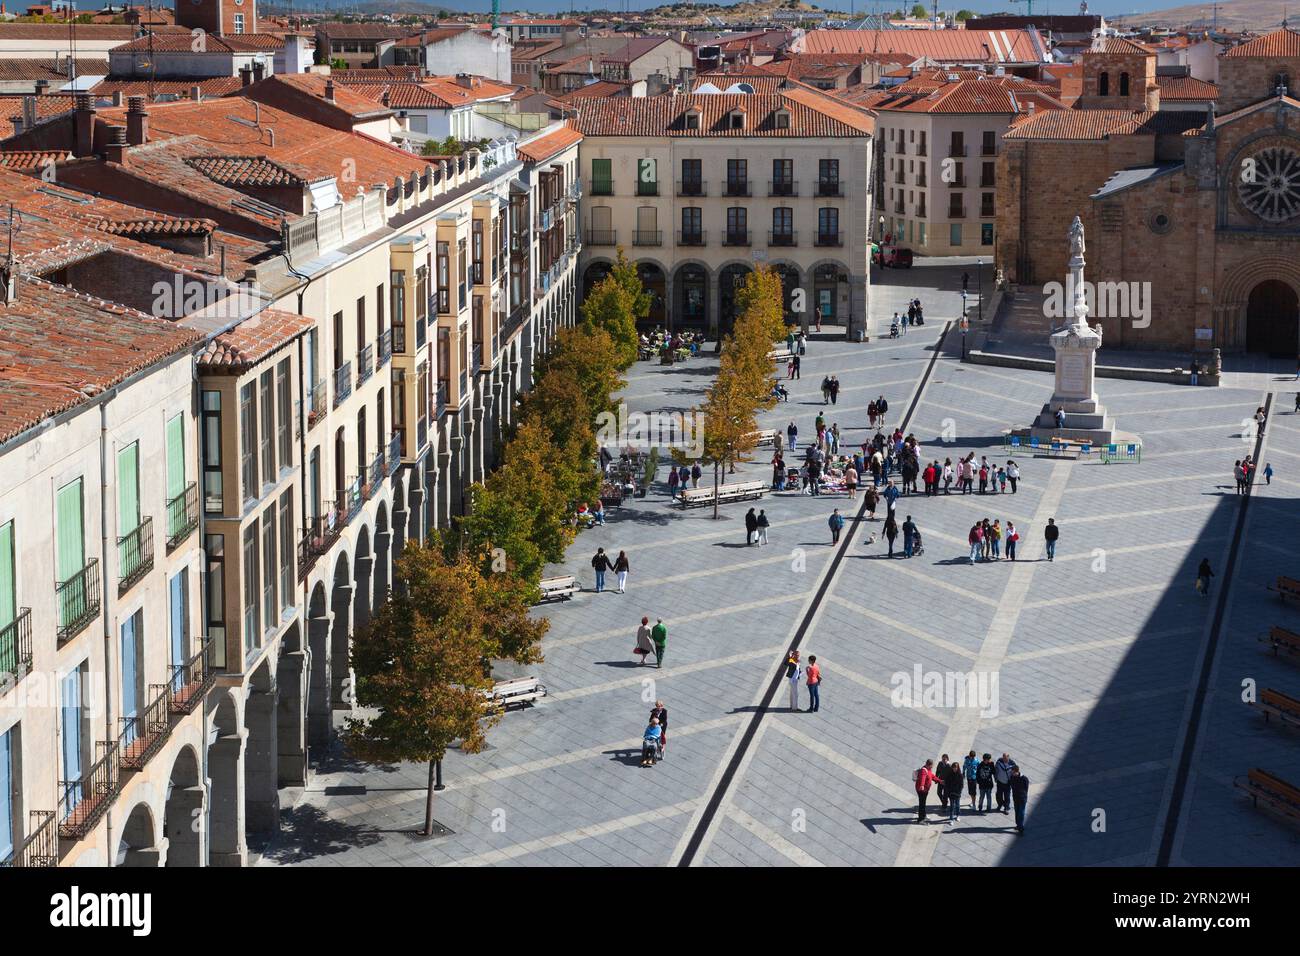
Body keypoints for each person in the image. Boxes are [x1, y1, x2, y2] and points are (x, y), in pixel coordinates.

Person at [1010, 767, 1030, 833]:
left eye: (1012, 772)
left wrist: (1023, 795)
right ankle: (1018, 824)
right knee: (1017, 811)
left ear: (1016, 771)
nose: (1011, 773)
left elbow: (1026, 788)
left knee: (1021, 812)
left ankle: (1020, 827)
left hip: (1022, 798)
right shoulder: (1012, 777)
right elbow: (1012, 786)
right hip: (1015, 797)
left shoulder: (1024, 778)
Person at [944, 758, 964, 822]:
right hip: (951, 793)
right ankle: (951, 818)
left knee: (957, 805)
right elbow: (947, 783)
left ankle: (958, 815)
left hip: (957, 793)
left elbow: (961, 785)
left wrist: (959, 792)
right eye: (954, 767)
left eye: (956, 767)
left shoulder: (960, 775)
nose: (955, 768)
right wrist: (949, 791)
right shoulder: (949, 774)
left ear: (958, 768)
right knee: (952, 806)